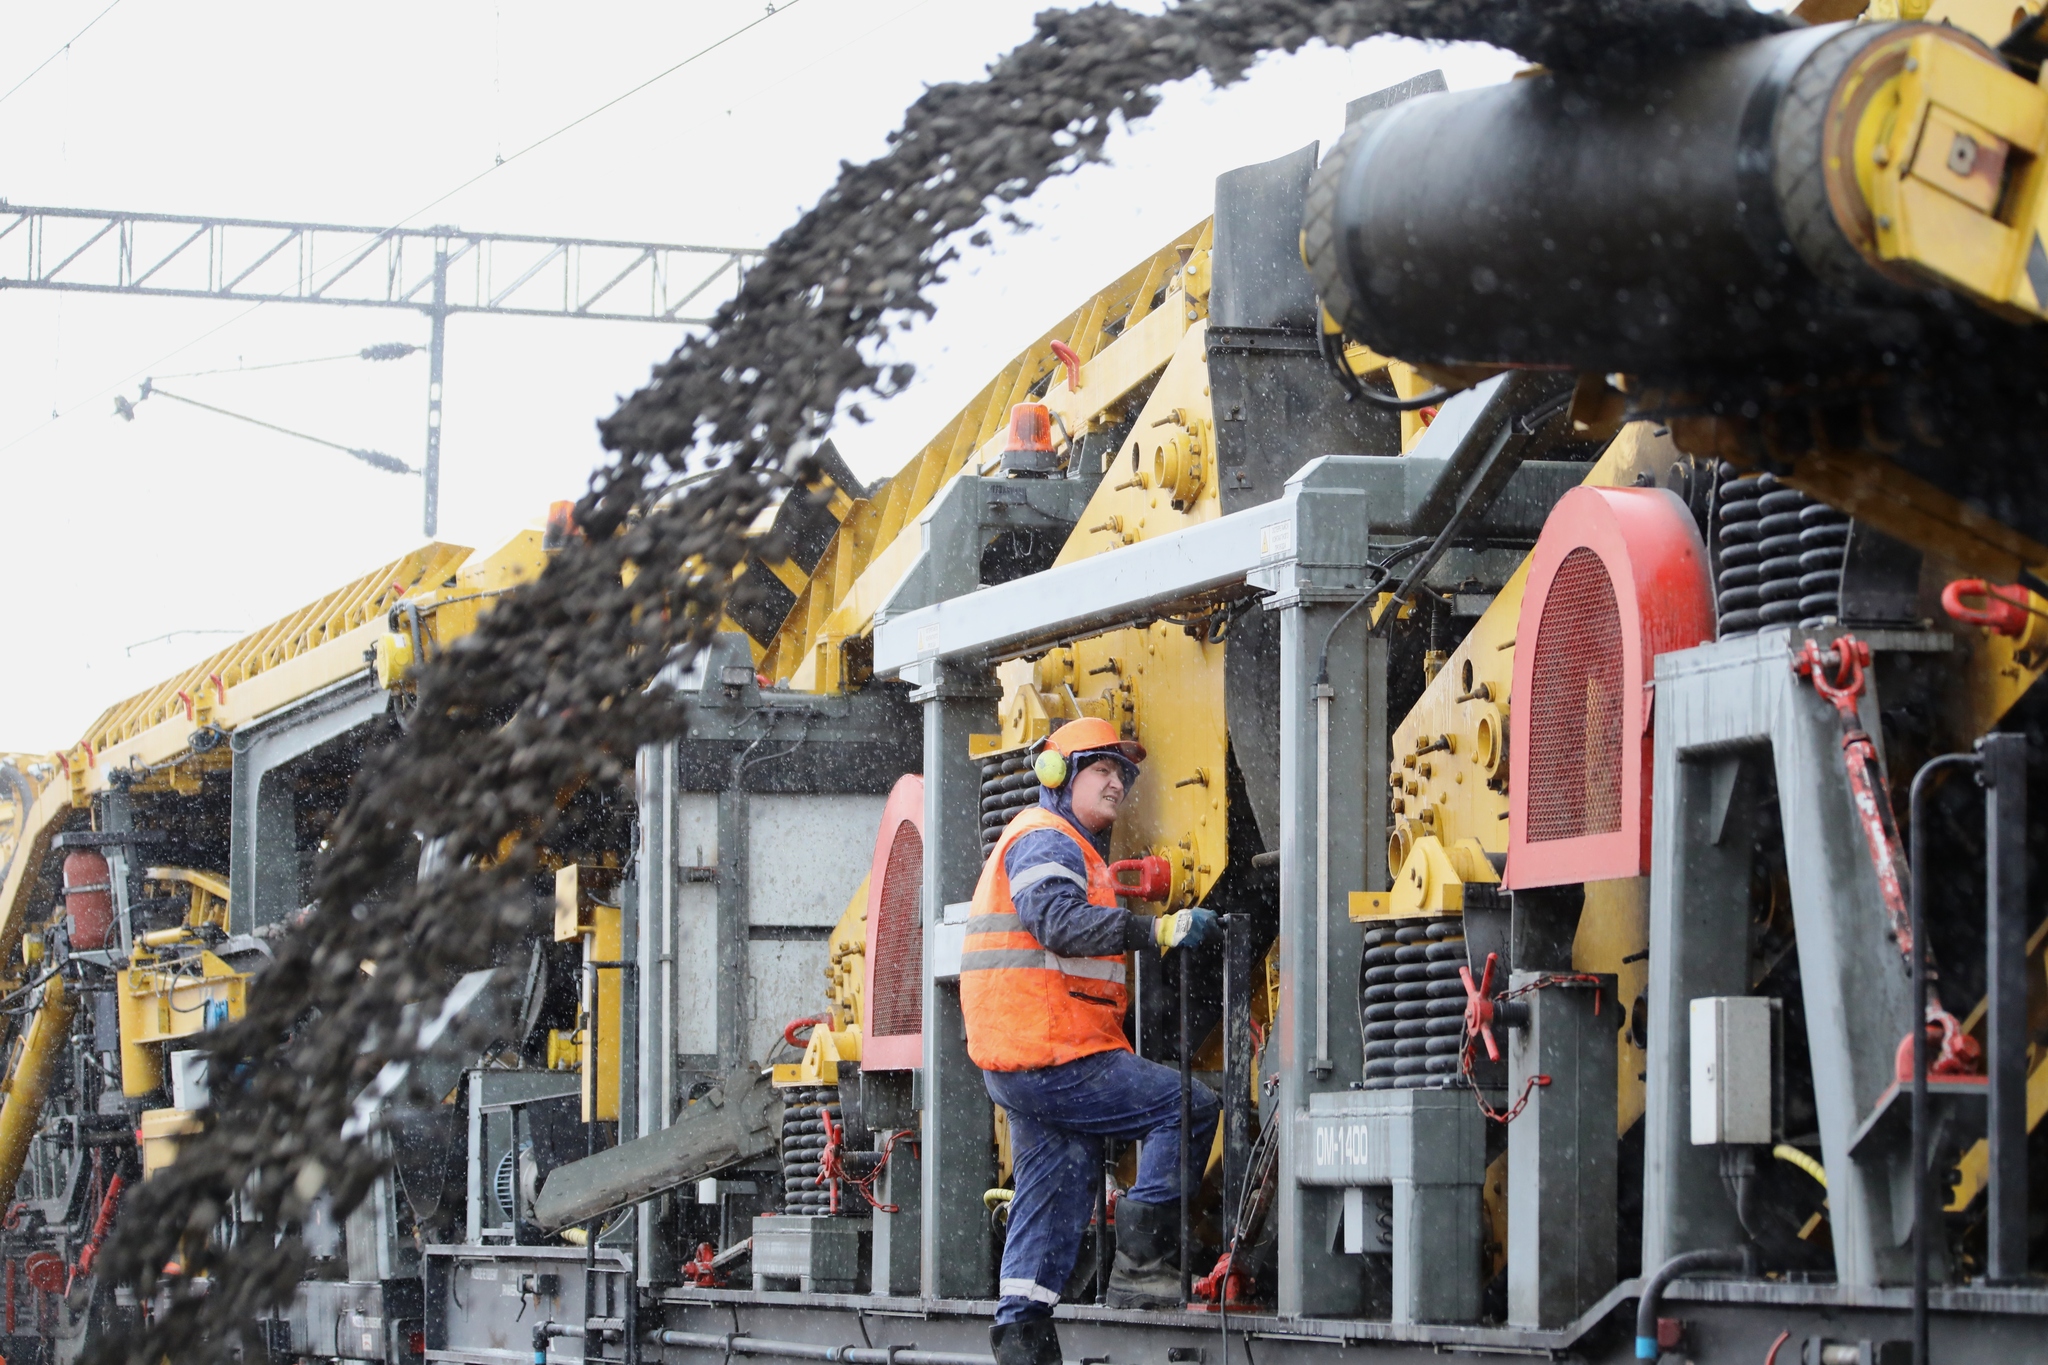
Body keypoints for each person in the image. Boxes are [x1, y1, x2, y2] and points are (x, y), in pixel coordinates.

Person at [961, 716, 1222, 1365]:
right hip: (1056, 1050)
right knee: (1187, 1104)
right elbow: (1058, 921)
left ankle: (1021, 1328)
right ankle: (1141, 1262)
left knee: (1058, 1181)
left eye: (1124, 775)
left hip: (1026, 1055)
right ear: (1058, 774)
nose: (1117, 784)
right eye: (1102, 770)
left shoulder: (1061, 844)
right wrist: (1156, 931)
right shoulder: (1048, 839)